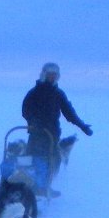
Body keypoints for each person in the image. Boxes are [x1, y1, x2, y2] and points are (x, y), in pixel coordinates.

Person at [20, 62, 92, 194]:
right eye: (49, 75)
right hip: (36, 132)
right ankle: (28, 185)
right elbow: (26, 110)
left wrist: (82, 126)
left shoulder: (58, 94)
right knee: (32, 157)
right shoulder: (34, 93)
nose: (52, 78)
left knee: (51, 159)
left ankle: (44, 186)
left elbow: (69, 112)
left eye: (55, 75)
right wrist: (34, 122)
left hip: (52, 133)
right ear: (43, 75)